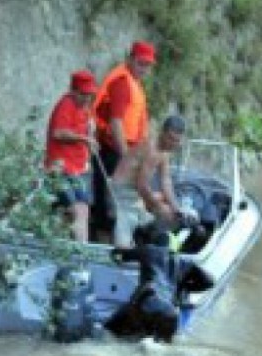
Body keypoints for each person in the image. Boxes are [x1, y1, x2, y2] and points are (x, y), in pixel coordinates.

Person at [91, 41, 157, 235]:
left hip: (119, 148)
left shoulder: (131, 81)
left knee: (112, 193)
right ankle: (105, 235)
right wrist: (127, 156)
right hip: (114, 148)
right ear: (130, 59)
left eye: (148, 64)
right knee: (112, 194)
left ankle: (111, 230)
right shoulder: (122, 84)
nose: (144, 68)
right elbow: (116, 122)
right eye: (141, 63)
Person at [110, 115, 186, 249]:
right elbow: (142, 186)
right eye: (170, 138)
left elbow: (166, 181)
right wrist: (158, 206)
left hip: (134, 192)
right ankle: (123, 249)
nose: (172, 144)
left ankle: (149, 245)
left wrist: (176, 208)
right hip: (121, 192)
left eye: (176, 141)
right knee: (135, 220)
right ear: (162, 132)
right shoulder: (151, 149)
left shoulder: (164, 151)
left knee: (164, 212)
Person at [45, 70, 99, 242]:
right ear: (72, 91)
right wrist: (84, 138)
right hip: (61, 168)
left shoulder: (85, 107)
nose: (86, 99)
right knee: (75, 211)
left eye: (90, 95)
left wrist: (91, 129)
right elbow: (58, 133)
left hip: (78, 169)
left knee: (83, 211)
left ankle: (79, 251)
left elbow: (88, 126)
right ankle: (79, 252)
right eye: (83, 94)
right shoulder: (66, 104)